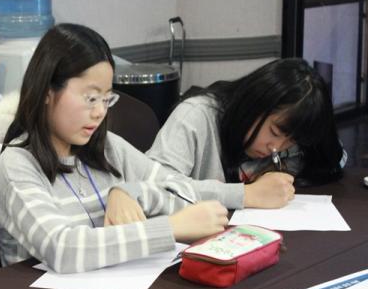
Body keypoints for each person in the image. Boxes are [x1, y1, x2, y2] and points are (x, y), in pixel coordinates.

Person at [0, 23, 228, 274]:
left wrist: (130, 191)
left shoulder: (107, 148)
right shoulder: (16, 165)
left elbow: (179, 187)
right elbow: (62, 249)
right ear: (47, 91)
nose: (100, 112)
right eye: (91, 98)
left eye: (106, 99)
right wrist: (170, 228)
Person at [147, 58, 346, 210]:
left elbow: (334, 156)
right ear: (254, 104)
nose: (275, 148)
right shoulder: (195, 116)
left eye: (291, 141)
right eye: (274, 132)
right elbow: (154, 187)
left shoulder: (283, 146)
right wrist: (246, 194)